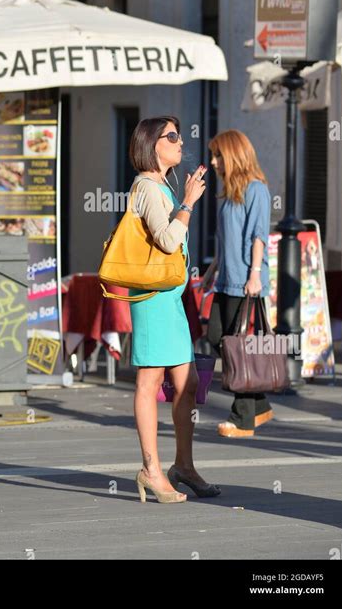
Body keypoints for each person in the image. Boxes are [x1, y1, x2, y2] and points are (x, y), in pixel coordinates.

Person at [128, 116, 221, 503]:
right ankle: (151, 470)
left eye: (180, 135)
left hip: (169, 298)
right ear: (152, 144)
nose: (180, 141)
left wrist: (183, 199)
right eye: (172, 136)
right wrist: (187, 203)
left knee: (188, 384)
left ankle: (183, 466)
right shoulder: (148, 187)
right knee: (150, 384)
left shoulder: (161, 184)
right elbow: (167, 242)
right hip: (152, 299)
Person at [203, 129, 273, 437]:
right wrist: (211, 271)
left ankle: (243, 418)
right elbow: (225, 240)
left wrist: (255, 274)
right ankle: (258, 405)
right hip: (226, 279)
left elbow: (259, 234)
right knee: (217, 336)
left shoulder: (256, 189)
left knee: (239, 349)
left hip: (246, 280)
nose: (214, 161)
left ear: (234, 155)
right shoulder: (229, 195)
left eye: (218, 155)